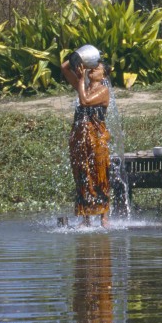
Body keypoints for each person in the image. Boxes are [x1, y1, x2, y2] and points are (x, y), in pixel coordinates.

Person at [61, 55, 112, 228]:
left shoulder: (103, 90)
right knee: (82, 174)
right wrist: (78, 55)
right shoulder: (83, 87)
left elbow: (84, 101)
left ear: (104, 75)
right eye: (91, 67)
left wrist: (81, 79)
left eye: (96, 69)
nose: (92, 70)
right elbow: (64, 68)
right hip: (80, 138)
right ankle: (86, 218)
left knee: (100, 175)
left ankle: (103, 218)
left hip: (96, 139)